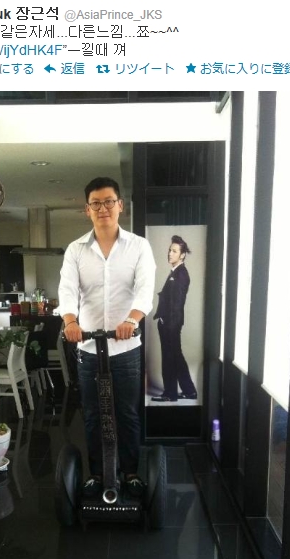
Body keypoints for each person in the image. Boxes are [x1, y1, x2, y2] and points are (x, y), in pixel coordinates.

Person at [58, 177, 156, 498]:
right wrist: (70, 321)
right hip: (88, 347)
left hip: (126, 347)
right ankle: (98, 474)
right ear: (87, 209)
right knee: (92, 414)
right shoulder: (76, 250)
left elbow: (144, 289)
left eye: (109, 201)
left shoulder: (138, 246)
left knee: (126, 413)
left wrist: (132, 319)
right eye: (96, 203)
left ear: (120, 206)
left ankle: (130, 473)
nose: (103, 208)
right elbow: (68, 289)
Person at [151, 235, 197, 402]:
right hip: (171, 323)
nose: (170, 253)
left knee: (169, 357)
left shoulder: (181, 274)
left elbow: (176, 303)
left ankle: (170, 394)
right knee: (176, 356)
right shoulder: (176, 272)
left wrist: (165, 320)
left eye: (174, 251)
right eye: (170, 250)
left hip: (171, 323)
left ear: (182, 255)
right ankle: (189, 391)